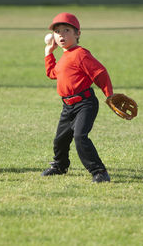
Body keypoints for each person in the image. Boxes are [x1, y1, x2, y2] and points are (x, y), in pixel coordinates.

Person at [42, 12, 114, 183]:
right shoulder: (64, 56)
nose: (61, 35)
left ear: (77, 34)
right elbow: (53, 74)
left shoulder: (80, 54)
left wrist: (109, 95)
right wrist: (48, 53)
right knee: (60, 139)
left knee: (80, 136)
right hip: (68, 107)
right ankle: (60, 166)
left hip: (85, 103)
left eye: (67, 30)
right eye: (58, 31)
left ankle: (99, 171)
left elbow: (100, 73)